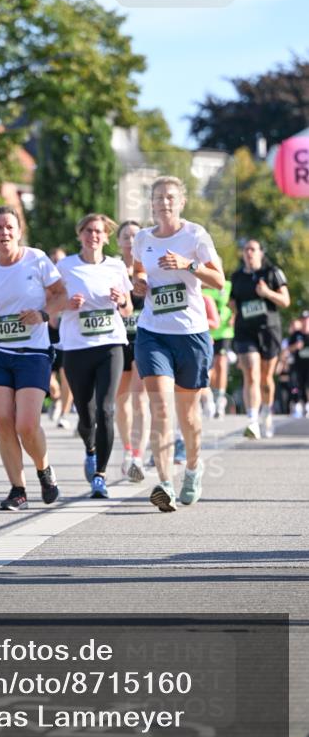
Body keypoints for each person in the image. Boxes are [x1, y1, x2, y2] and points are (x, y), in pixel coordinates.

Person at [132, 176, 225, 512]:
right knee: (160, 409)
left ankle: (192, 469)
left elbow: (219, 279)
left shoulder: (195, 235)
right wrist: (140, 282)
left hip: (191, 335)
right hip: (153, 333)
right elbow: (138, 270)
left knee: (189, 418)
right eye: (158, 198)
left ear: (181, 202)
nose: (164, 203)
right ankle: (165, 484)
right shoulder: (142, 239)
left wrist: (189, 265)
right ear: (152, 204)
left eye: (171, 197)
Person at [0, 206, 66, 511]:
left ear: (19, 231)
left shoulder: (37, 259)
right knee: (3, 421)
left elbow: (62, 294)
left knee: (26, 424)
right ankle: (18, 490)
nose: (4, 233)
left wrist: (44, 314)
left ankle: (44, 468)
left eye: (10, 227)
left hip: (33, 352)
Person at [56, 214, 132, 499]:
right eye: (88, 230)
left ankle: (100, 475)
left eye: (99, 231)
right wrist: (66, 303)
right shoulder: (64, 266)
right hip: (77, 348)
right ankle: (89, 449)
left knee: (106, 409)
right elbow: (49, 302)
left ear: (106, 236)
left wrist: (121, 300)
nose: (93, 236)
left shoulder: (116, 266)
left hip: (110, 343)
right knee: (86, 414)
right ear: (80, 234)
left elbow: (127, 309)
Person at [229, 239, 291, 439]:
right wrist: (232, 319)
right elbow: (233, 304)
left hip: (269, 331)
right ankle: (252, 421)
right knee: (251, 373)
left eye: (253, 249)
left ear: (261, 253)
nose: (249, 253)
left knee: (265, 379)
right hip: (245, 332)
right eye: (246, 249)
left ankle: (266, 412)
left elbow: (285, 301)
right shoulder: (237, 277)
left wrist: (266, 293)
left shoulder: (273, 273)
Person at [114, 220, 149, 482]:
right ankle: (127, 450)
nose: (130, 239)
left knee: (139, 399)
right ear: (118, 242)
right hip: (117, 339)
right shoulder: (111, 268)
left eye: (135, 235)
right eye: (125, 236)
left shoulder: (150, 265)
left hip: (145, 338)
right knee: (121, 400)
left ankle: (138, 456)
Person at [47, 248, 74, 430]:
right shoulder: (45, 280)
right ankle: (55, 398)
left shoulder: (72, 278)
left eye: (60, 260)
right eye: (54, 259)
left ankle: (64, 413)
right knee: (48, 378)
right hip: (47, 331)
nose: (57, 263)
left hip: (68, 331)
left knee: (67, 376)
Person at [203, 279, 234, 418]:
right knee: (210, 369)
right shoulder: (197, 283)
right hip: (206, 332)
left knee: (221, 363)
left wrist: (234, 316)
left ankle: (221, 398)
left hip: (223, 332)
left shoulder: (226, 285)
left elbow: (235, 303)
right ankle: (209, 395)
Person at [288, 311, 309, 417]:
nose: (305, 322)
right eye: (303, 320)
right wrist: (296, 346)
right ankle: (300, 405)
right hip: (298, 366)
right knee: (298, 386)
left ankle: (308, 406)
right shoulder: (296, 335)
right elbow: (288, 349)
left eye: (307, 319)